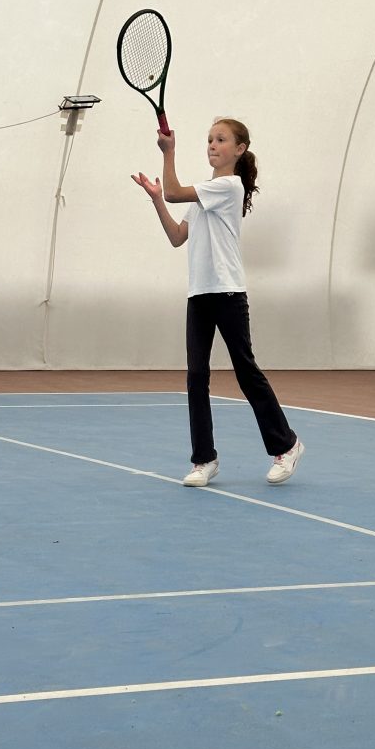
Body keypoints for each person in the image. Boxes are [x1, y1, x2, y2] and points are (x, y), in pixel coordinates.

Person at [131, 118, 304, 487]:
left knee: (246, 372)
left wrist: (168, 152)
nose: (212, 144)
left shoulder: (228, 186)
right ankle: (204, 459)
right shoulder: (204, 194)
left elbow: (175, 191)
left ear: (239, 149)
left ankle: (287, 445)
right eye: (210, 139)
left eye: (221, 139)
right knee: (196, 377)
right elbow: (177, 236)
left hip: (227, 293)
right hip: (199, 294)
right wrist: (156, 199)